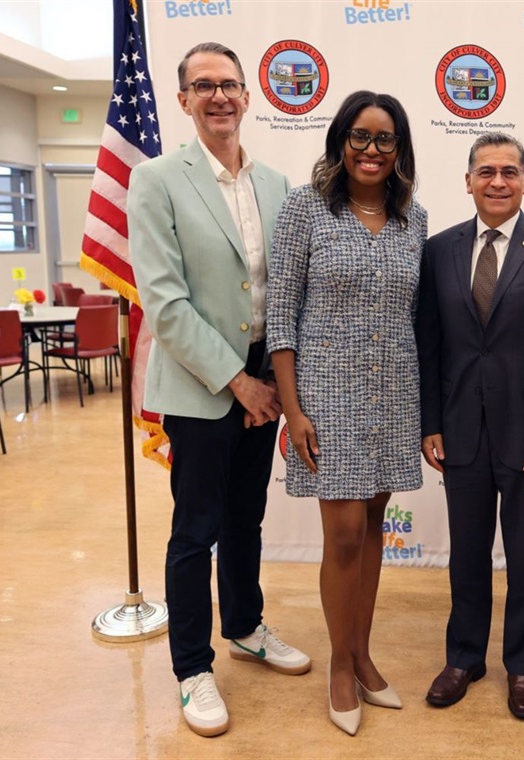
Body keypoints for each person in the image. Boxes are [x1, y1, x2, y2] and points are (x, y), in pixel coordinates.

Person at [129, 42, 310, 739]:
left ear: (246, 95)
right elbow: (166, 303)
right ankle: (192, 668)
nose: (219, 97)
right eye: (203, 86)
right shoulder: (155, 179)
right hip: (206, 385)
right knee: (194, 531)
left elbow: (282, 289)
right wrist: (238, 383)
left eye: (229, 84)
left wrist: (275, 383)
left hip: (265, 378)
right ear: (183, 101)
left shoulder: (276, 185)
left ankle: (244, 626)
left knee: (245, 517)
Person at [267, 91, 426, 737]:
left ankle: (363, 652)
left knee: (375, 524)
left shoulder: (413, 218)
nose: (370, 150)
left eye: (385, 139)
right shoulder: (304, 210)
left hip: (394, 392)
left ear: (399, 150)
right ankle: (339, 663)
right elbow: (281, 314)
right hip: (326, 395)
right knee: (343, 537)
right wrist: (293, 408)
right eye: (359, 137)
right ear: (340, 142)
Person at [417, 133, 524, 720]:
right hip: (460, 431)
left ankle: (522, 666)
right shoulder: (438, 250)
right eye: (485, 171)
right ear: (467, 181)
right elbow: (431, 347)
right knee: (465, 555)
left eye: (509, 172)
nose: (497, 181)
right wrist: (430, 423)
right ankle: (464, 657)